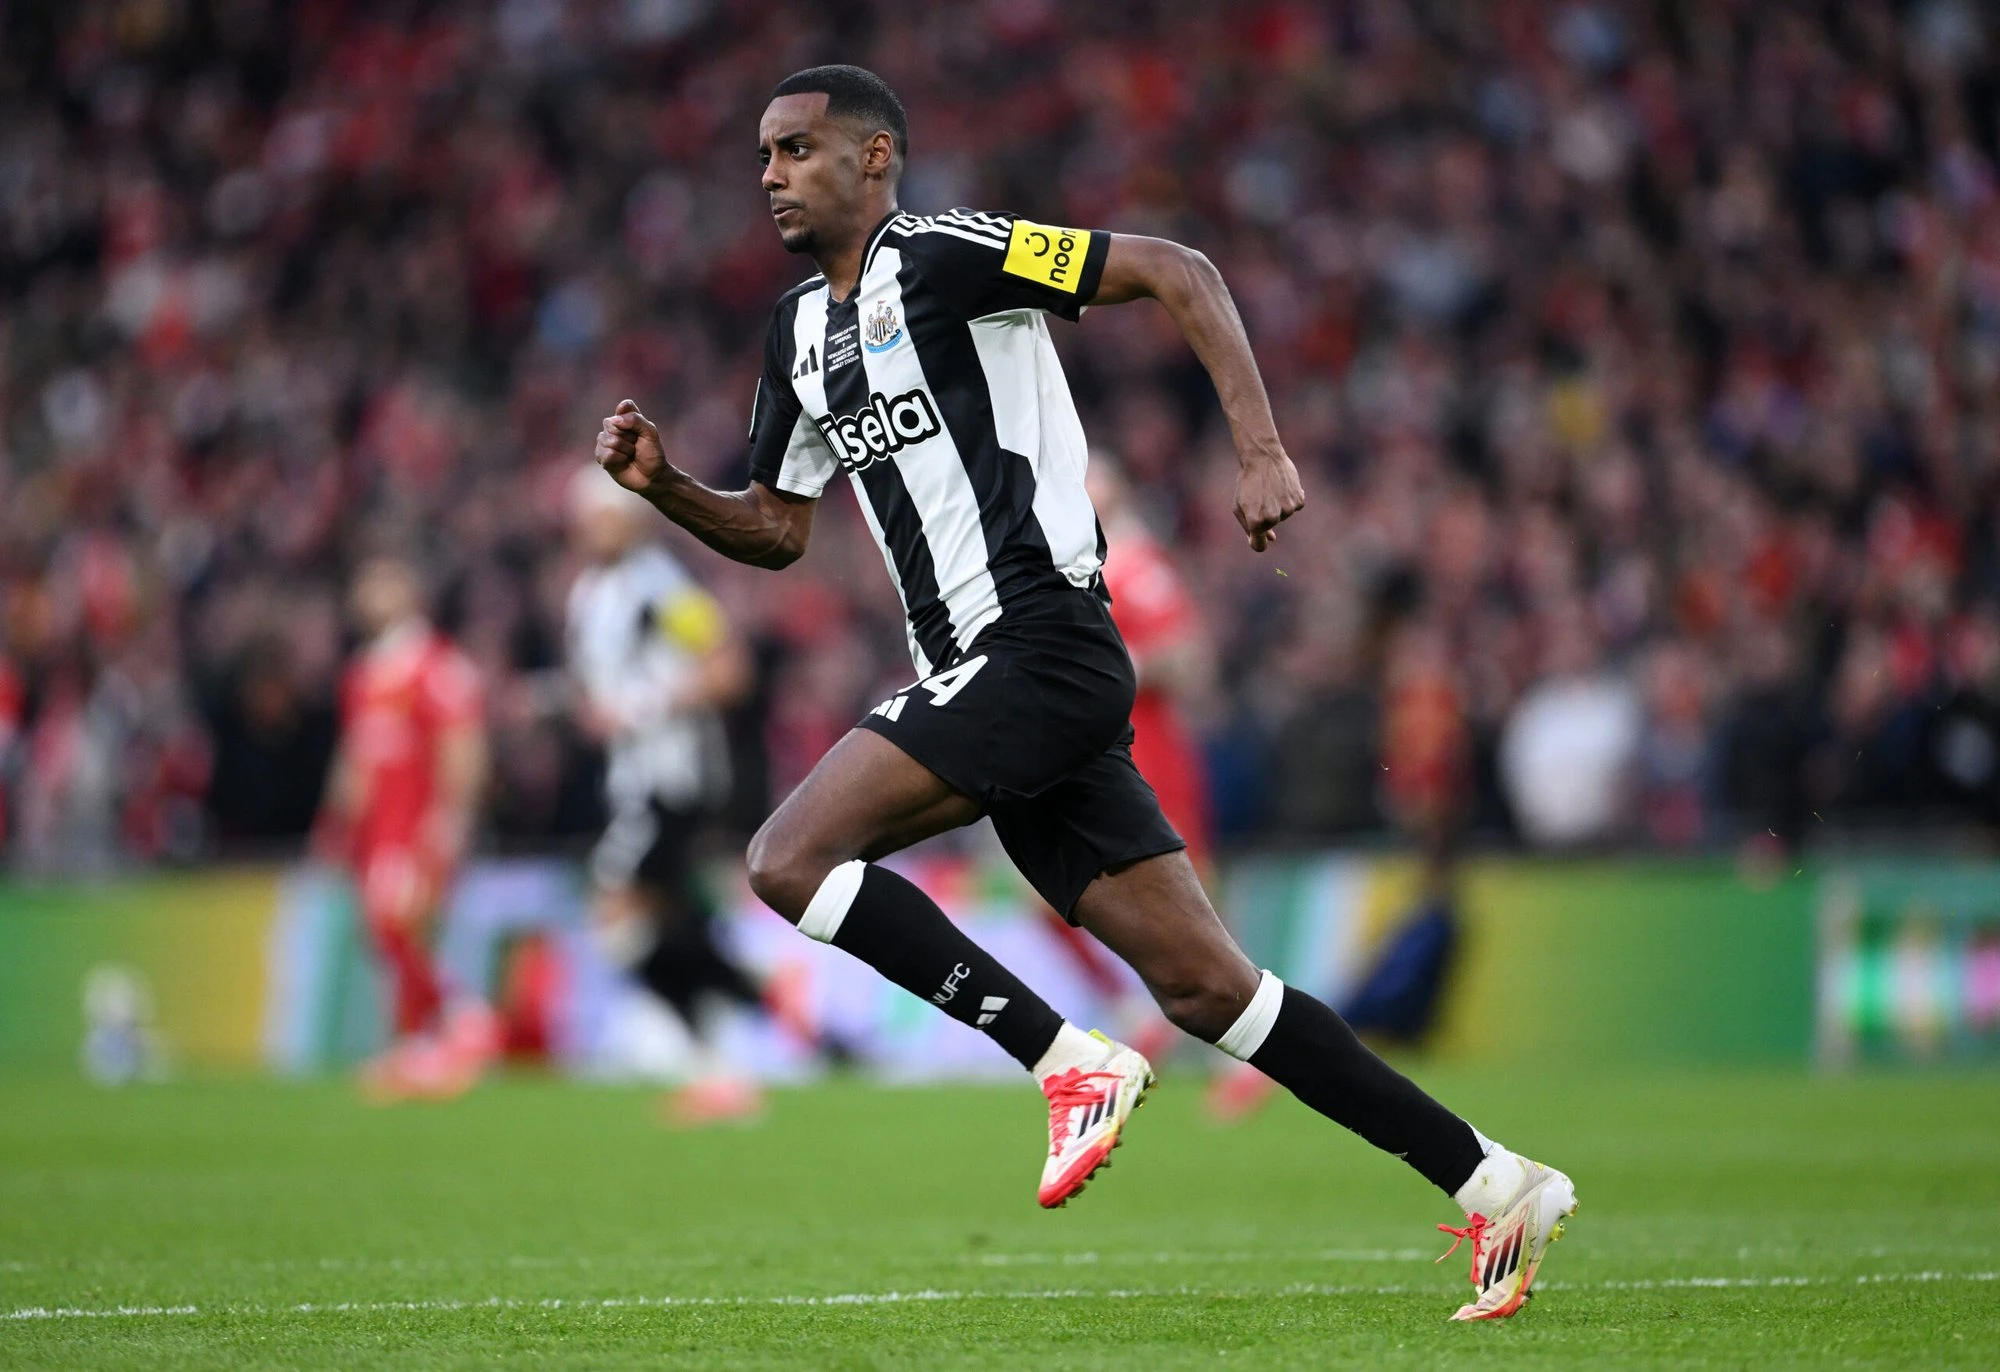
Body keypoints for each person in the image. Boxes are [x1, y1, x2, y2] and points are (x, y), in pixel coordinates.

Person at [592, 65, 1575, 1320]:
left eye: (795, 148)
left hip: (1039, 643)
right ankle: (1494, 1180)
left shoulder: (942, 256)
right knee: (1212, 991)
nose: (769, 173)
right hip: (985, 677)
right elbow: (779, 527)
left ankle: (1064, 1060)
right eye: (763, 154)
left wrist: (1260, 448)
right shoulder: (793, 337)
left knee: (786, 857)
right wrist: (667, 489)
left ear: (874, 157)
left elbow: (1176, 268)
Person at [563, 468, 791, 1124]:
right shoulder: (589, 592)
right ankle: (731, 1029)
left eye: (603, 517)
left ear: (631, 521)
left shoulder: (660, 588)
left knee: (617, 910)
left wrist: (643, 705)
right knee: (669, 921)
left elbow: (728, 668)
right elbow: (599, 689)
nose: (592, 529)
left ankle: (723, 1025)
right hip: (629, 778)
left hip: (670, 776)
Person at [312, 553, 495, 1100]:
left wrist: (453, 818)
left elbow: (463, 744)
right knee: (384, 934)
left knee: (400, 925)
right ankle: (421, 1045)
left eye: (383, 582)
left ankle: (461, 1017)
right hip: (377, 829)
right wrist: (336, 825)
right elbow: (356, 755)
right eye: (365, 582)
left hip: (417, 824)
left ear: (410, 592)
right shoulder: (364, 672)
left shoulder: (436, 665)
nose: (369, 593)